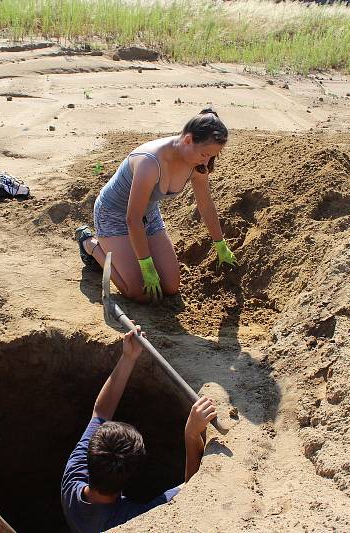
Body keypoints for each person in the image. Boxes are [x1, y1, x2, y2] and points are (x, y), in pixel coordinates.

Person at [61, 325, 217, 533]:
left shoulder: (72, 481)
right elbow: (191, 490)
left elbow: (100, 413)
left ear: (89, 458)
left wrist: (128, 358)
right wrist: (191, 434)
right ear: (134, 476)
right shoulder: (131, 521)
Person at [75, 108, 238, 303]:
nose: (208, 161)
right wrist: (146, 265)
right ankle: (90, 244)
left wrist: (220, 243)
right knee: (137, 292)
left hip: (149, 215)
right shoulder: (150, 161)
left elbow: (206, 205)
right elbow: (131, 218)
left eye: (213, 156)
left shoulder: (197, 164)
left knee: (170, 286)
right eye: (205, 154)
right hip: (114, 215)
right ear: (188, 140)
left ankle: (125, 254)